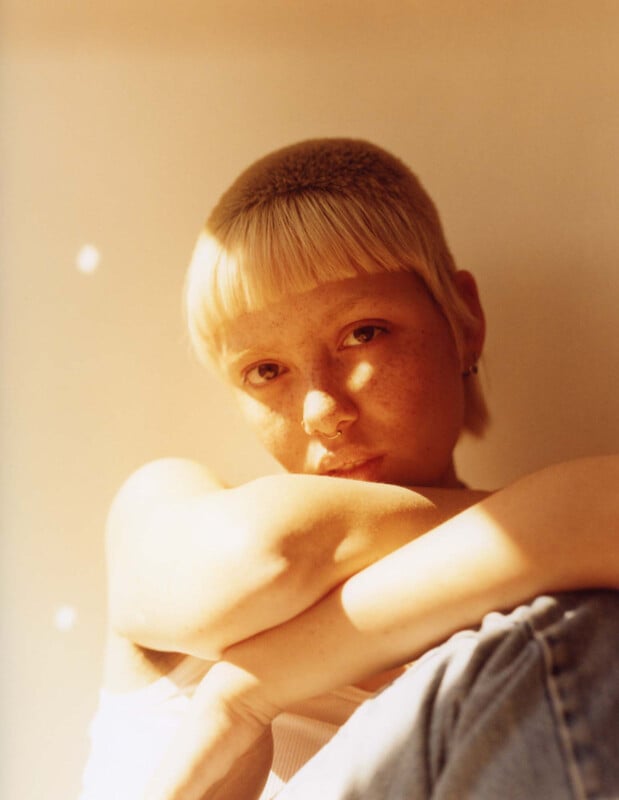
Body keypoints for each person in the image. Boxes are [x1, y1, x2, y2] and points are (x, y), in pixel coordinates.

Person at [79, 138, 619, 800]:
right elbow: (261, 557)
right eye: (265, 371)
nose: (320, 409)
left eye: (363, 333)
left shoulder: (551, 610)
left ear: (464, 321)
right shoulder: (163, 502)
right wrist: (553, 524)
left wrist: (247, 690)